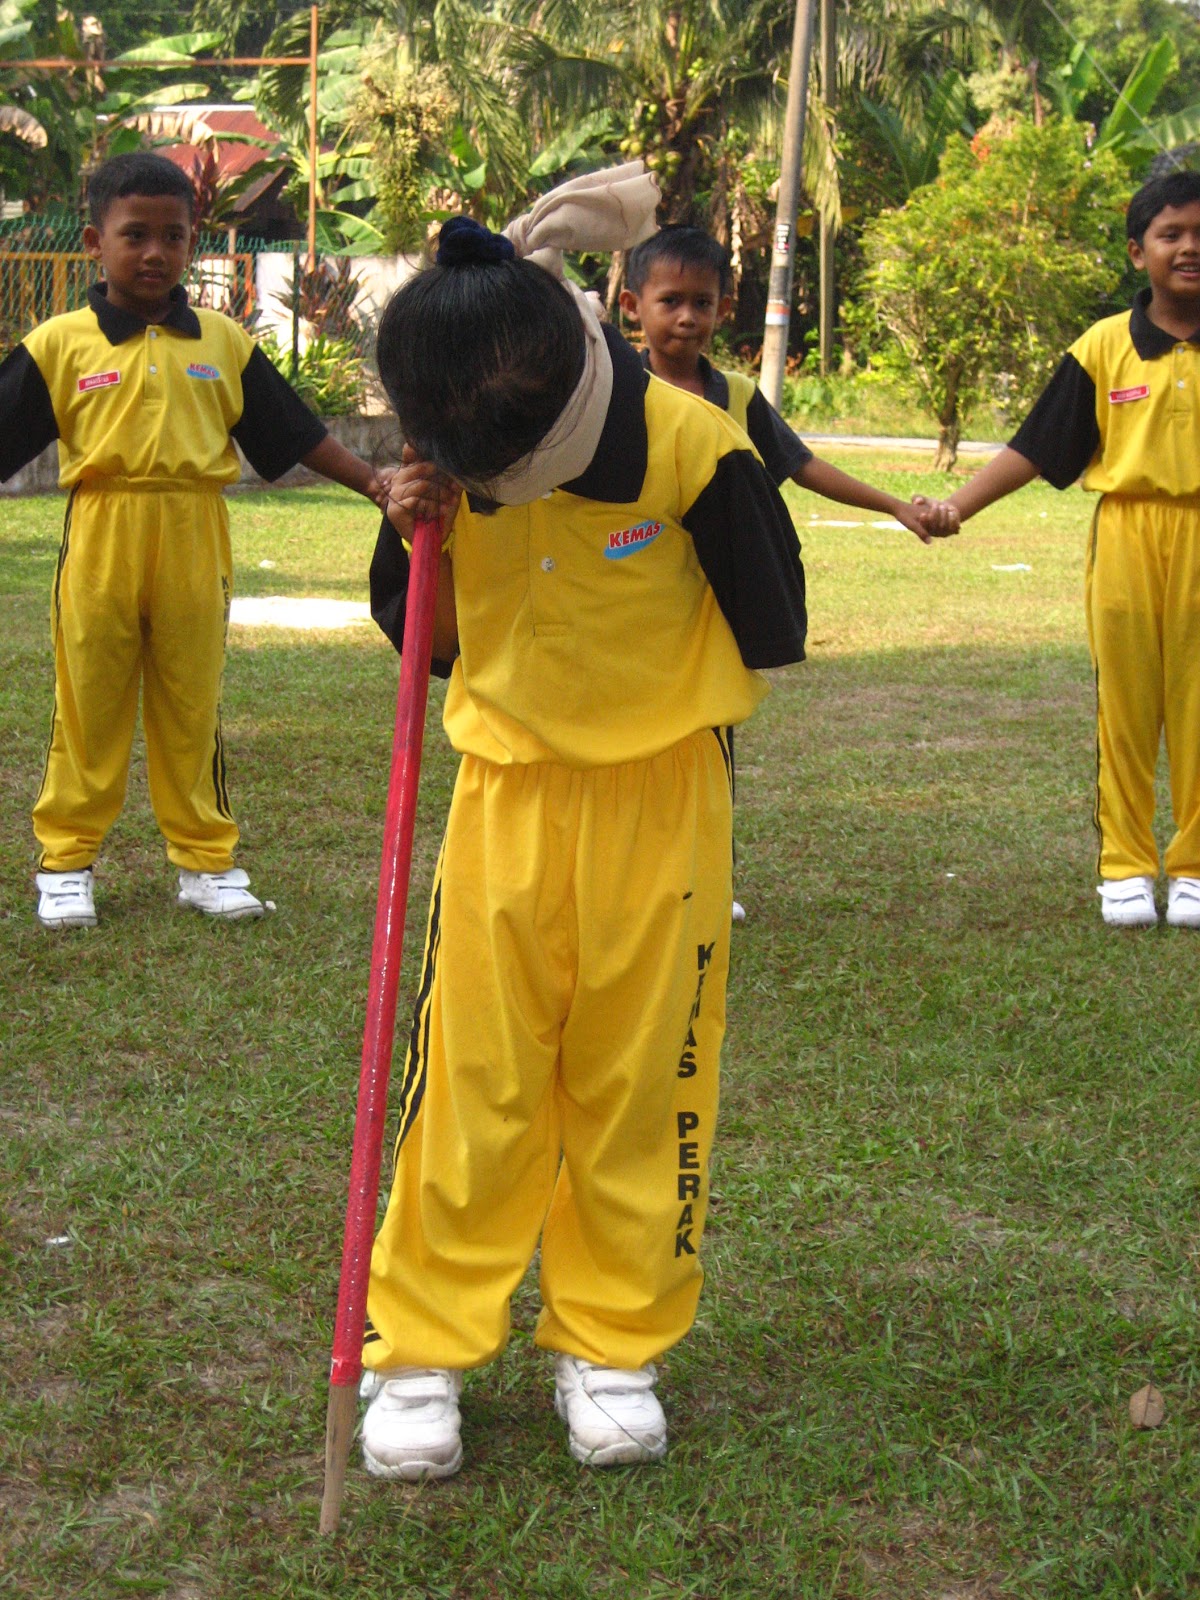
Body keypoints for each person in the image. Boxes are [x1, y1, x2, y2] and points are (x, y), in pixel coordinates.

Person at [360, 164, 808, 1479]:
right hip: (506, 790)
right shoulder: (457, 455)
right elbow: (424, 646)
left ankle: (612, 1339)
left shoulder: (696, 447)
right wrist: (412, 529)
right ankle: (424, 1344)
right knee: (477, 1076)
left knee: (645, 1068)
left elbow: (769, 621)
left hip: (664, 796)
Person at [0, 152, 393, 929]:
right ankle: (67, 863)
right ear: (93, 241)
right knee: (90, 701)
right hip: (102, 531)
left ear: (192, 243)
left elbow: (298, 434)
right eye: (134, 234)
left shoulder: (223, 342)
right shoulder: (59, 344)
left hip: (195, 532)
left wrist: (378, 486)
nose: (154, 252)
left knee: (191, 700)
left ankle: (206, 863)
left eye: (173, 236)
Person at [619, 225, 940, 921]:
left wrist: (890, 504)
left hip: (712, 606)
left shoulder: (734, 395)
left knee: (708, 737)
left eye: (701, 303)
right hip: (632, 600)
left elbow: (801, 466)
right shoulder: (615, 390)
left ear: (722, 310)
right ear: (631, 306)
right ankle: (633, 876)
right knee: (631, 740)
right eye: (670, 301)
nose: (686, 318)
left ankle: (707, 878)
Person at [940, 169, 1200, 930]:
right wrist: (957, 506)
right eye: (1171, 234)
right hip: (1126, 531)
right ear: (1136, 251)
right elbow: (1036, 447)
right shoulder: (1103, 347)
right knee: (1125, 703)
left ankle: (1190, 868)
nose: (1189, 248)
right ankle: (1124, 867)